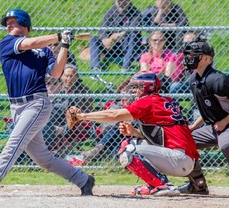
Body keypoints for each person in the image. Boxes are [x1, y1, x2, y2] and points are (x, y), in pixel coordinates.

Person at [0, 9, 94, 199]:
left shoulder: (44, 50)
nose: (8, 25)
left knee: (13, 145)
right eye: (7, 23)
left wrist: (64, 45)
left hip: (36, 103)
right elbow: (30, 43)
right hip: (17, 106)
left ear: (25, 23)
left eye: (13, 21)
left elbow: (55, 73)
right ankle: (83, 179)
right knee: (43, 159)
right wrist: (57, 36)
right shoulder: (8, 42)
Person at [71, 70, 201, 196]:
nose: (134, 90)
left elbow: (114, 114)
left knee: (128, 151)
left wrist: (82, 116)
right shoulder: (164, 100)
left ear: (149, 87)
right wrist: (135, 132)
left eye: (139, 86)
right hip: (184, 159)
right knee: (132, 141)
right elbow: (162, 136)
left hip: (179, 158)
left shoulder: (149, 101)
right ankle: (154, 184)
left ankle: (163, 185)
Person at [178, 40, 229, 194]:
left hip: (226, 125)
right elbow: (208, 108)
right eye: (188, 55)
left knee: (226, 145)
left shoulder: (218, 80)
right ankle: (198, 185)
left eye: (195, 55)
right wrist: (194, 126)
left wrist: (224, 121)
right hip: (214, 127)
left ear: (207, 59)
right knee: (184, 141)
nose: (189, 58)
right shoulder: (194, 80)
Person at [81, 78, 133, 162]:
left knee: (116, 130)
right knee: (113, 131)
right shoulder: (114, 104)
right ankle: (102, 151)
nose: (126, 94)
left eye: (129, 91)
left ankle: (99, 149)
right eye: (124, 91)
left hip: (122, 132)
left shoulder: (134, 105)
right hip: (107, 129)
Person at [89, 0, 143, 72]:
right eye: (119, 0)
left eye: (124, 0)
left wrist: (122, 34)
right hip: (111, 46)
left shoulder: (135, 12)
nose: (122, 3)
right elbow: (102, 29)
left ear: (128, 0)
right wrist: (104, 39)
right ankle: (95, 68)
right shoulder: (111, 12)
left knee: (134, 35)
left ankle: (126, 67)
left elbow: (135, 27)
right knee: (93, 38)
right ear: (116, 1)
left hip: (127, 46)